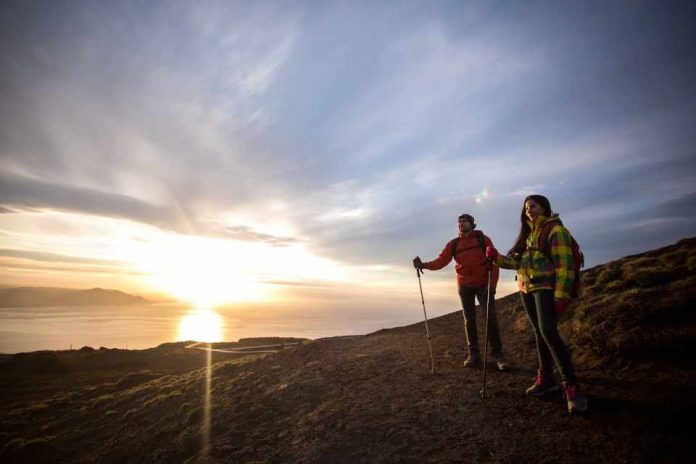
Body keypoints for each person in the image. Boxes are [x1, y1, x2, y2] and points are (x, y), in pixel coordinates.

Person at [485, 194, 588, 413]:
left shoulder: (555, 231)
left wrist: (561, 295)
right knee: (540, 333)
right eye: (526, 207)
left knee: (549, 333)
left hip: (545, 290)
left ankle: (572, 387)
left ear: (544, 207)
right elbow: (516, 262)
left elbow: (565, 266)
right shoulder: (529, 235)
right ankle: (546, 378)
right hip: (526, 289)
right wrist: (497, 257)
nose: (529, 210)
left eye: (533, 205)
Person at [413, 213, 509, 370]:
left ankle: (499, 355)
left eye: (464, 221)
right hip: (464, 285)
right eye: (459, 222)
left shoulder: (483, 239)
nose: (461, 224)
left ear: (472, 224)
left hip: (484, 284)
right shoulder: (454, 244)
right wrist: (423, 265)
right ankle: (474, 354)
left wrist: (492, 286)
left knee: (490, 319)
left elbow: (495, 261)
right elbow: (441, 261)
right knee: (469, 320)